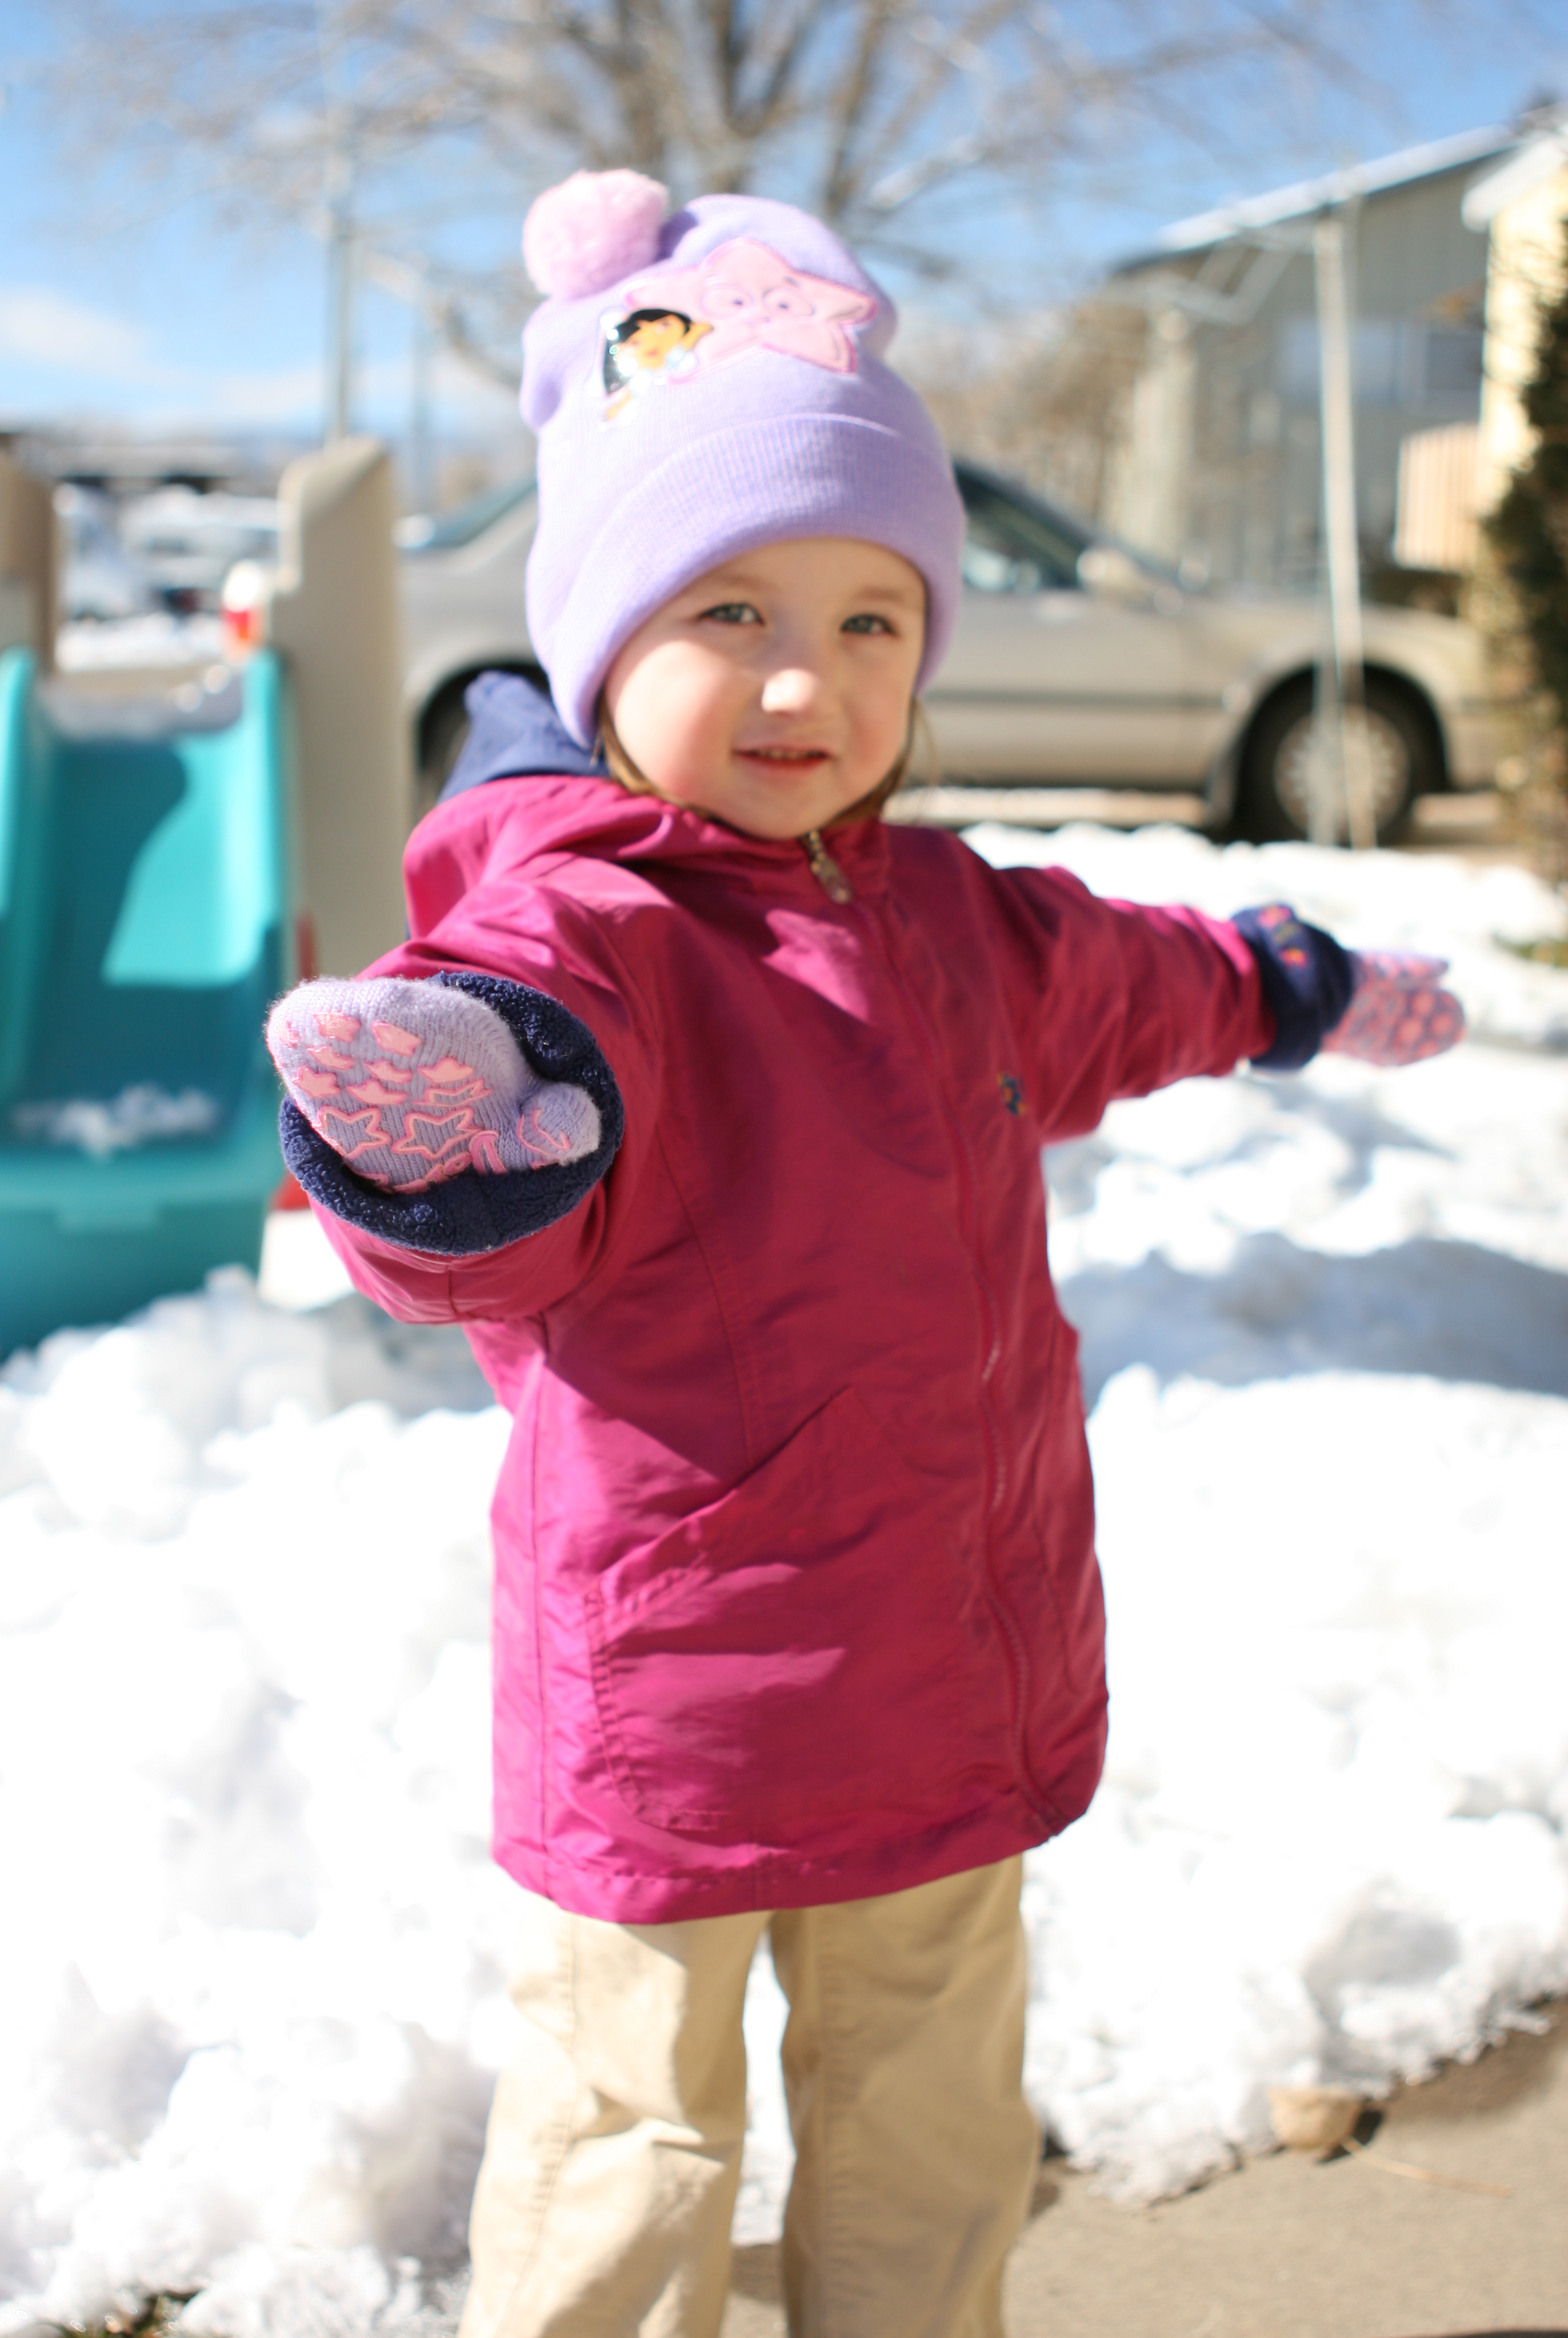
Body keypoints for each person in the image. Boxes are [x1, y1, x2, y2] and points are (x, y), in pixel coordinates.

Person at [266, 168, 1463, 2338]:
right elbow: (508, 1154)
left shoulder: (960, 922)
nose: (805, 678)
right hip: (676, 1696)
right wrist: (449, 1122)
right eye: (728, 610)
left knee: (932, 2127)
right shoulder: (585, 929)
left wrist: (1299, 980)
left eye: (871, 618)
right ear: (604, 640)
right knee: (626, 2136)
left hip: (941, 1667)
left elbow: (1147, 975)